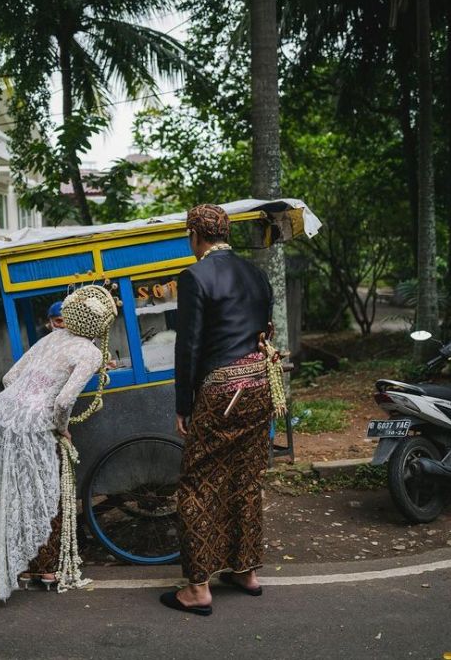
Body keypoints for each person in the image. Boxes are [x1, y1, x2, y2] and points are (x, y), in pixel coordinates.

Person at [0, 285, 117, 606]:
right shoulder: (90, 352)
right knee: (50, 494)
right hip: (33, 424)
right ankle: (47, 570)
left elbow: (8, 378)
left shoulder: (52, 338)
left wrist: (26, 399)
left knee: (9, 493)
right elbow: (64, 400)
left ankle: (15, 567)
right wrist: (62, 429)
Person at [161, 203, 278, 617]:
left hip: (222, 393)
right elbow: (266, 333)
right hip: (260, 386)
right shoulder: (256, 274)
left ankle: (197, 589)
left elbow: (189, 345)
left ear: (195, 235)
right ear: (225, 233)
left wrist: (183, 404)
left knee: (197, 484)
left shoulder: (195, 276)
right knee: (245, 479)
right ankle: (245, 572)